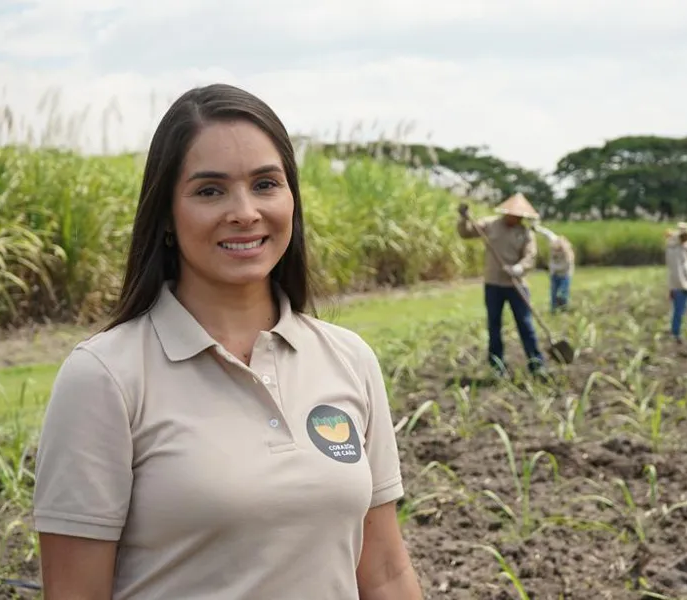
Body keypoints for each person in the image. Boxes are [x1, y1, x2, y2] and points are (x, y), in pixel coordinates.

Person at [31, 83, 422, 600]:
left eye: (265, 184)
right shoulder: (106, 377)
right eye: (210, 190)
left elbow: (386, 573)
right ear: (167, 215)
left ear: (291, 200)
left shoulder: (349, 359)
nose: (244, 211)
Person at [457, 193, 546, 378]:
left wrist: (518, 268)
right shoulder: (489, 224)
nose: (518, 218)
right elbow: (466, 233)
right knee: (494, 326)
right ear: (507, 212)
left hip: (516, 285)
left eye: (521, 216)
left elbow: (530, 257)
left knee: (525, 324)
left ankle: (536, 364)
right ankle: (497, 366)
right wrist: (463, 218)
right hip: (493, 284)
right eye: (515, 214)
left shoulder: (526, 233)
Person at [533, 223, 575, 313]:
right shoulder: (553, 240)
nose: (555, 253)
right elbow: (547, 233)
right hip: (554, 275)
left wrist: (552, 268)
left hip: (564, 275)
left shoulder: (567, 255)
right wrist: (536, 229)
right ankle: (553, 310)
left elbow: (564, 266)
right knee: (553, 292)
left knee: (562, 293)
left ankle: (564, 308)